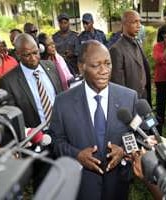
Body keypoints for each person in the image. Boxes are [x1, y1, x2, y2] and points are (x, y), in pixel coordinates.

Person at [50, 40, 138, 200]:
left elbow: (138, 135)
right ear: (81, 67)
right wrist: (77, 155)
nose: (104, 71)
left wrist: (124, 151)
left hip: (118, 184)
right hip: (81, 186)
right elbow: (56, 141)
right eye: (96, 65)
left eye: (108, 63)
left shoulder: (129, 97)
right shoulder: (63, 102)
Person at [0, 33, 63, 128]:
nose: (33, 58)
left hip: (63, 127)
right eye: (27, 55)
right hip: (38, 136)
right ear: (18, 54)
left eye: (35, 52)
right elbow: (13, 119)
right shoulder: (8, 82)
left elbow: (60, 96)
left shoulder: (51, 66)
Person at [110, 10, 152, 106]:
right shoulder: (116, 49)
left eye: (139, 22)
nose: (139, 25)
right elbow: (118, 84)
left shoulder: (138, 43)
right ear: (124, 24)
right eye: (135, 22)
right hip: (130, 101)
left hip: (144, 97)